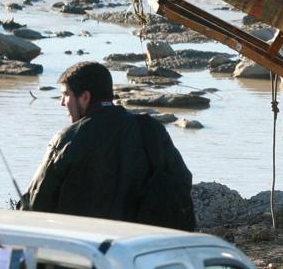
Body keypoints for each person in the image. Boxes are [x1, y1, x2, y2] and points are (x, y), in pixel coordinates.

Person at [20, 61, 195, 229]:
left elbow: (36, 201)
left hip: (84, 248)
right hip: (141, 246)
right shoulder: (151, 129)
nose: (62, 102)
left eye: (66, 95)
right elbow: (182, 180)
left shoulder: (68, 139)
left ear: (85, 97)